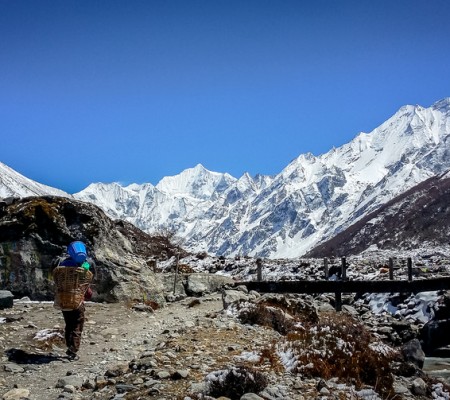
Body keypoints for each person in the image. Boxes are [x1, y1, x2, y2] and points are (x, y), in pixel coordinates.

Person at [52, 241, 94, 361]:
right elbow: (87, 290)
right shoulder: (82, 271)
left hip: (64, 301)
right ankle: (73, 351)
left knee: (69, 325)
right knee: (77, 325)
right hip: (77, 302)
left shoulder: (62, 267)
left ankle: (69, 347)